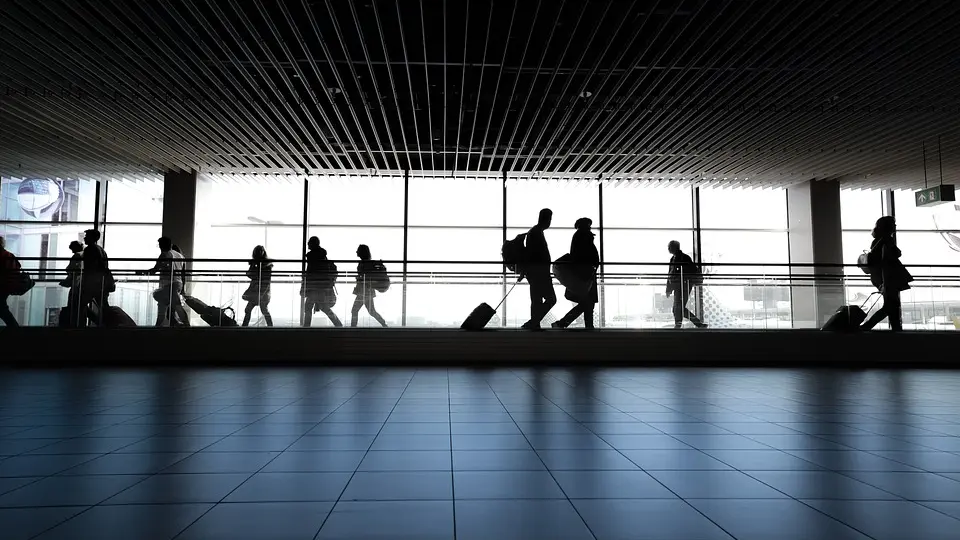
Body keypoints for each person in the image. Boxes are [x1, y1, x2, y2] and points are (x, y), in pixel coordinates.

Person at [861, 216, 913, 331]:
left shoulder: (877, 241)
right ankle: (868, 326)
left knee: (892, 305)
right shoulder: (886, 241)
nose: (895, 226)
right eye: (893, 224)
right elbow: (886, 263)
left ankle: (896, 328)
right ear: (888, 227)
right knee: (891, 305)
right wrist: (885, 283)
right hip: (888, 278)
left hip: (880, 277)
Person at [553, 217, 600, 329]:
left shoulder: (579, 236)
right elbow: (585, 256)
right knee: (588, 302)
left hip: (584, 273)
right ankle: (565, 323)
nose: (590, 227)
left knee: (587, 303)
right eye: (589, 225)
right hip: (585, 274)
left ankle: (566, 323)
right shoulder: (584, 236)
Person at [139, 237, 189, 327]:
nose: (160, 248)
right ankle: (159, 326)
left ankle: (186, 325)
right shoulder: (180, 256)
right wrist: (182, 288)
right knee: (166, 305)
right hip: (178, 283)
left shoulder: (164, 254)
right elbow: (183, 274)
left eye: (160, 245)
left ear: (163, 245)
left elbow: (155, 269)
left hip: (169, 284)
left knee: (174, 305)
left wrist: (142, 272)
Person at [522, 208, 557, 330]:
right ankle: (533, 322)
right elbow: (534, 254)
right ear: (546, 219)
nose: (550, 222)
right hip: (539, 272)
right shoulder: (536, 233)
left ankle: (534, 323)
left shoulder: (535, 232)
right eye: (550, 219)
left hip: (535, 272)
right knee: (551, 299)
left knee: (537, 300)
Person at [74, 229, 113, 324]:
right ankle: (107, 324)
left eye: (86, 236)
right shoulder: (101, 250)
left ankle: (100, 322)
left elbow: (90, 268)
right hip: (101, 283)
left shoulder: (89, 250)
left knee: (79, 304)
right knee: (103, 306)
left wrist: (84, 282)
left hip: (92, 283)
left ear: (92, 238)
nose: (84, 238)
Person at [302, 236, 342, 327]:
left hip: (314, 287)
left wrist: (305, 286)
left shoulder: (312, 257)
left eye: (309, 242)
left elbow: (309, 273)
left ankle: (306, 327)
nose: (308, 244)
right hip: (322, 286)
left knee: (309, 307)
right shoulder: (323, 256)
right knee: (324, 307)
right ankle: (338, 325)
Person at [666, 240, 707, 329]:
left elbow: (671, 274)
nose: (668, 248)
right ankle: (696, 324)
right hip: (679, 286)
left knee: (678, 308)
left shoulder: (683, 258)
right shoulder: (675, 258)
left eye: (669, 247)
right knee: (678, 308)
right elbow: (670, 274)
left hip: (683, 286)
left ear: (675, 247)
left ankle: (679, 325)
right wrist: (668, 288)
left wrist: (669, 288)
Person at [350, 244, 387, 327]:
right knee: (371, 311)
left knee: (355, 310)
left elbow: (364, 275)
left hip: (363, 290)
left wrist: (359, 277)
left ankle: (353, 328)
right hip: (368, 290)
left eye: (358, 250)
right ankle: (384, 324)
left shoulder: (364, 263)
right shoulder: (369, 263)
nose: (356, 252)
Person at [242, 245, 273, 327]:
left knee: (253, 309)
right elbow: (250, 275)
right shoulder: (266, 265)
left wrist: (252, 266)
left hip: (259, 290)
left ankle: (244, 326)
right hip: (259, 291)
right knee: (263, 310)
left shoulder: (264, 265)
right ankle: (270, 326)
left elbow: (250, 275)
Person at [59, 240, 84, 326]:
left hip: (76, 283)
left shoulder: (77, 255)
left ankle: (72, 323)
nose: (71, 250)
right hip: (81, 282)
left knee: (73, 302)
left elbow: (70, 268)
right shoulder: (84, 254)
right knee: (80, 304)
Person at [0, 236, 21, 327]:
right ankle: (15, 328)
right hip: (4, 285)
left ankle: (15, 328)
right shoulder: (8, 255)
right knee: (2, 307)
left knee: (2, 308)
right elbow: (16, 268)